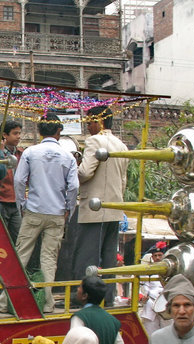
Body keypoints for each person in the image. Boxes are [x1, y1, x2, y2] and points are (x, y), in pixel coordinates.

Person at [0, 112, 79, 314]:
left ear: (39, 131)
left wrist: (22, 205)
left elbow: (18, 180)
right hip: (57, 213)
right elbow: (74, 187)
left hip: (33, 211)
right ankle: (48, 304)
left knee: (20, 256)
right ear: (59, 131)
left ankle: (5, 302)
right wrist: (68, 209)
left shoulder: (31, 153)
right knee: (49, 260)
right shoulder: (68, 157)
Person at [72, 105, 129, 306]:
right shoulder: (121, 145)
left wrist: (75, 165)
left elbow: (85, 173)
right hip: (114, 208)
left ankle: (83, 298)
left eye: (90, 122)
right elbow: (123, 181)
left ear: (100, 122)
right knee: (108, 259)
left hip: (94, 209)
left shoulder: (94, 141)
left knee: (87, 257)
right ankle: (108, 298)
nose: (88, 126)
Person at [71, 276, 128, 344]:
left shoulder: (80, 317)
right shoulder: (112, 321)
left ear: (85, 296)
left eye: (80, 287)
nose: (77, 289)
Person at [0, 120, 23, 244]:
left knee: (18, 238)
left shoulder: (21, 153)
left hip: (17, 201)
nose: (18, 136)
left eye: (19, 133)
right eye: (15, 133)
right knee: (1, 238)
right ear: (5, 135)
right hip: (2, 200)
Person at [140, 243, 171, 336]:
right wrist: (142, 298)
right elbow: (140, 288)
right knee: (151, 336)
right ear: (152, 257)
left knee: (168, 335)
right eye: (155, 256)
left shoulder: (171, 270)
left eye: (159, 255)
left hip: (166, 305)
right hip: (150, 305)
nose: (157, 258)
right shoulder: (147, 270)